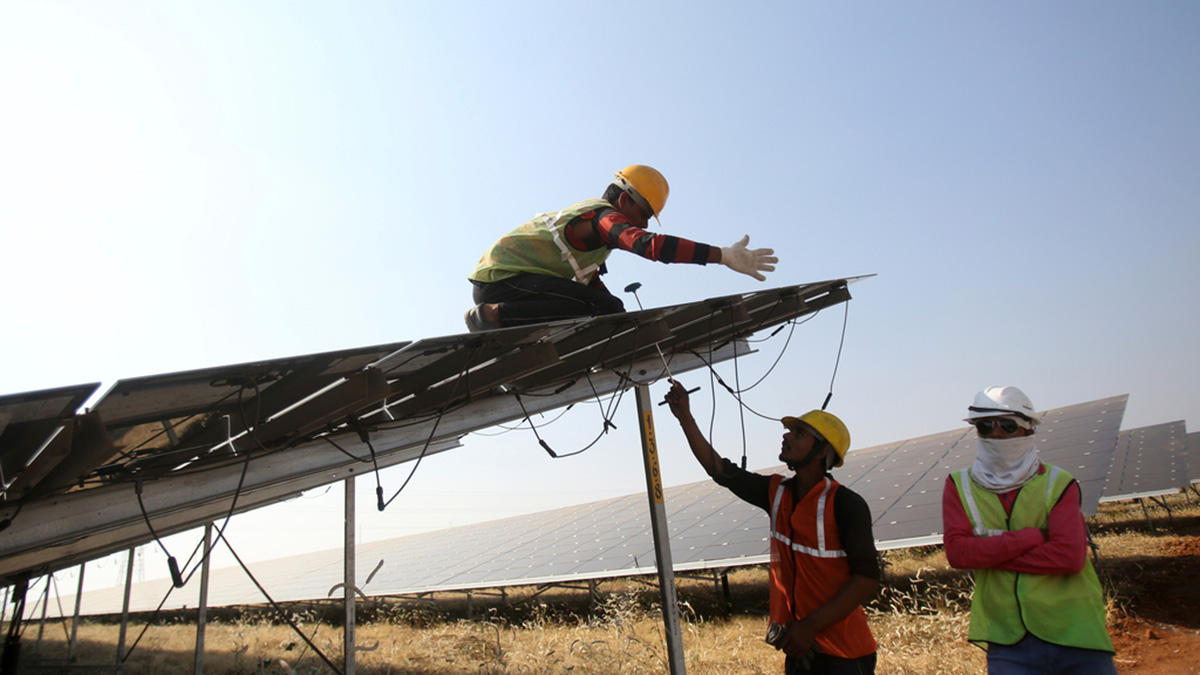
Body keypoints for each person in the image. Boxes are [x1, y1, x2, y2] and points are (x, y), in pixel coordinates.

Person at [664, 380, 880, 674]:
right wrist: (685, 418)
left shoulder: (845, 504)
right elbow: (720, 471)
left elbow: (867, 579)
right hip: (799, 646)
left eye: (799, 433)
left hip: (844, 654)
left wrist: (810, 626)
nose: (786, 436)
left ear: (820, 453)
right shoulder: (777, 493)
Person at [465, 165, 778, 331]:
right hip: (503, 282)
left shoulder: (590, 225)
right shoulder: (602, 219)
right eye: (643, 214)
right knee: (605, 309)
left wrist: (619, 319)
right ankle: (493, 316)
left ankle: (501, 323)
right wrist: (722, 256)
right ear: (625, 199)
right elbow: (650, 246)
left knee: (607, 308)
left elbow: (585, 284)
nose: (642, 224)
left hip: (508, 280)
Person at [942, 386, 1117, 674]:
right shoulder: (959, 485)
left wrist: (987, 555)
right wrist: (1032, 537)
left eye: (1007, 426)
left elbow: (1069, 558)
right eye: (985, 426)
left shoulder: (1058, 482)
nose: (996, 434)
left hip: (1075, 632)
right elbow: (958, 554)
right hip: (1008, 639)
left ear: (1027, 429)